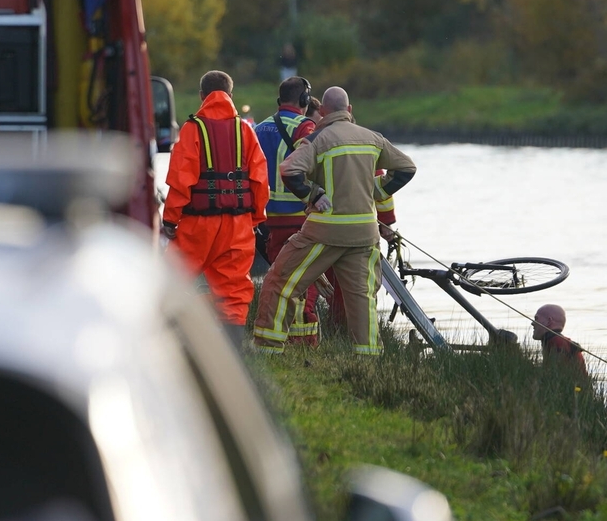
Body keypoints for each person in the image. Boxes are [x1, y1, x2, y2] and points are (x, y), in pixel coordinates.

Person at [253, 87, 416, 355]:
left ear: (323, 112)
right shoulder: (372, 138)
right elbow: (407, 168)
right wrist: (376, 189)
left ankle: (268, 346)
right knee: (362, 299)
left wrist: (313, 194)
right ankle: (369, 356)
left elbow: (289, 169)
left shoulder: (318, 139)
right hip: (365, 235)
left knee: (280, 280)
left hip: (324, 231)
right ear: (349, 110)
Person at [161, 70, 269, 349]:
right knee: (233, 291)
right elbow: (259, 179)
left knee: (171, 279)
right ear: (231, 96)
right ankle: (233, 350)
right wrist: (255, 217)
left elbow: (180, 180)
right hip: (238, 225)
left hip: (197, 225)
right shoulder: (245, 130)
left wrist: (170, 219)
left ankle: (171, 344)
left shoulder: (192, 129)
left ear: (201, 96)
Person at [253, 76, 320, 345]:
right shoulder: (305, 127)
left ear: (279, 100)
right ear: (304, 101)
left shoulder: (258, 128)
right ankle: (304, 343)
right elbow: (316, 167)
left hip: (267, 220)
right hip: (299, 218)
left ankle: (277, 333)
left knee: (279, 278)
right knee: (304, 280)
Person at [531, 304, 587, 376]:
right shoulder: (556, 341)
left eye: (536, 319)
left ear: (549, 322)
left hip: (575, 387)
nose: (532, 323)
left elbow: (553, 374)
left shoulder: (557, 343)